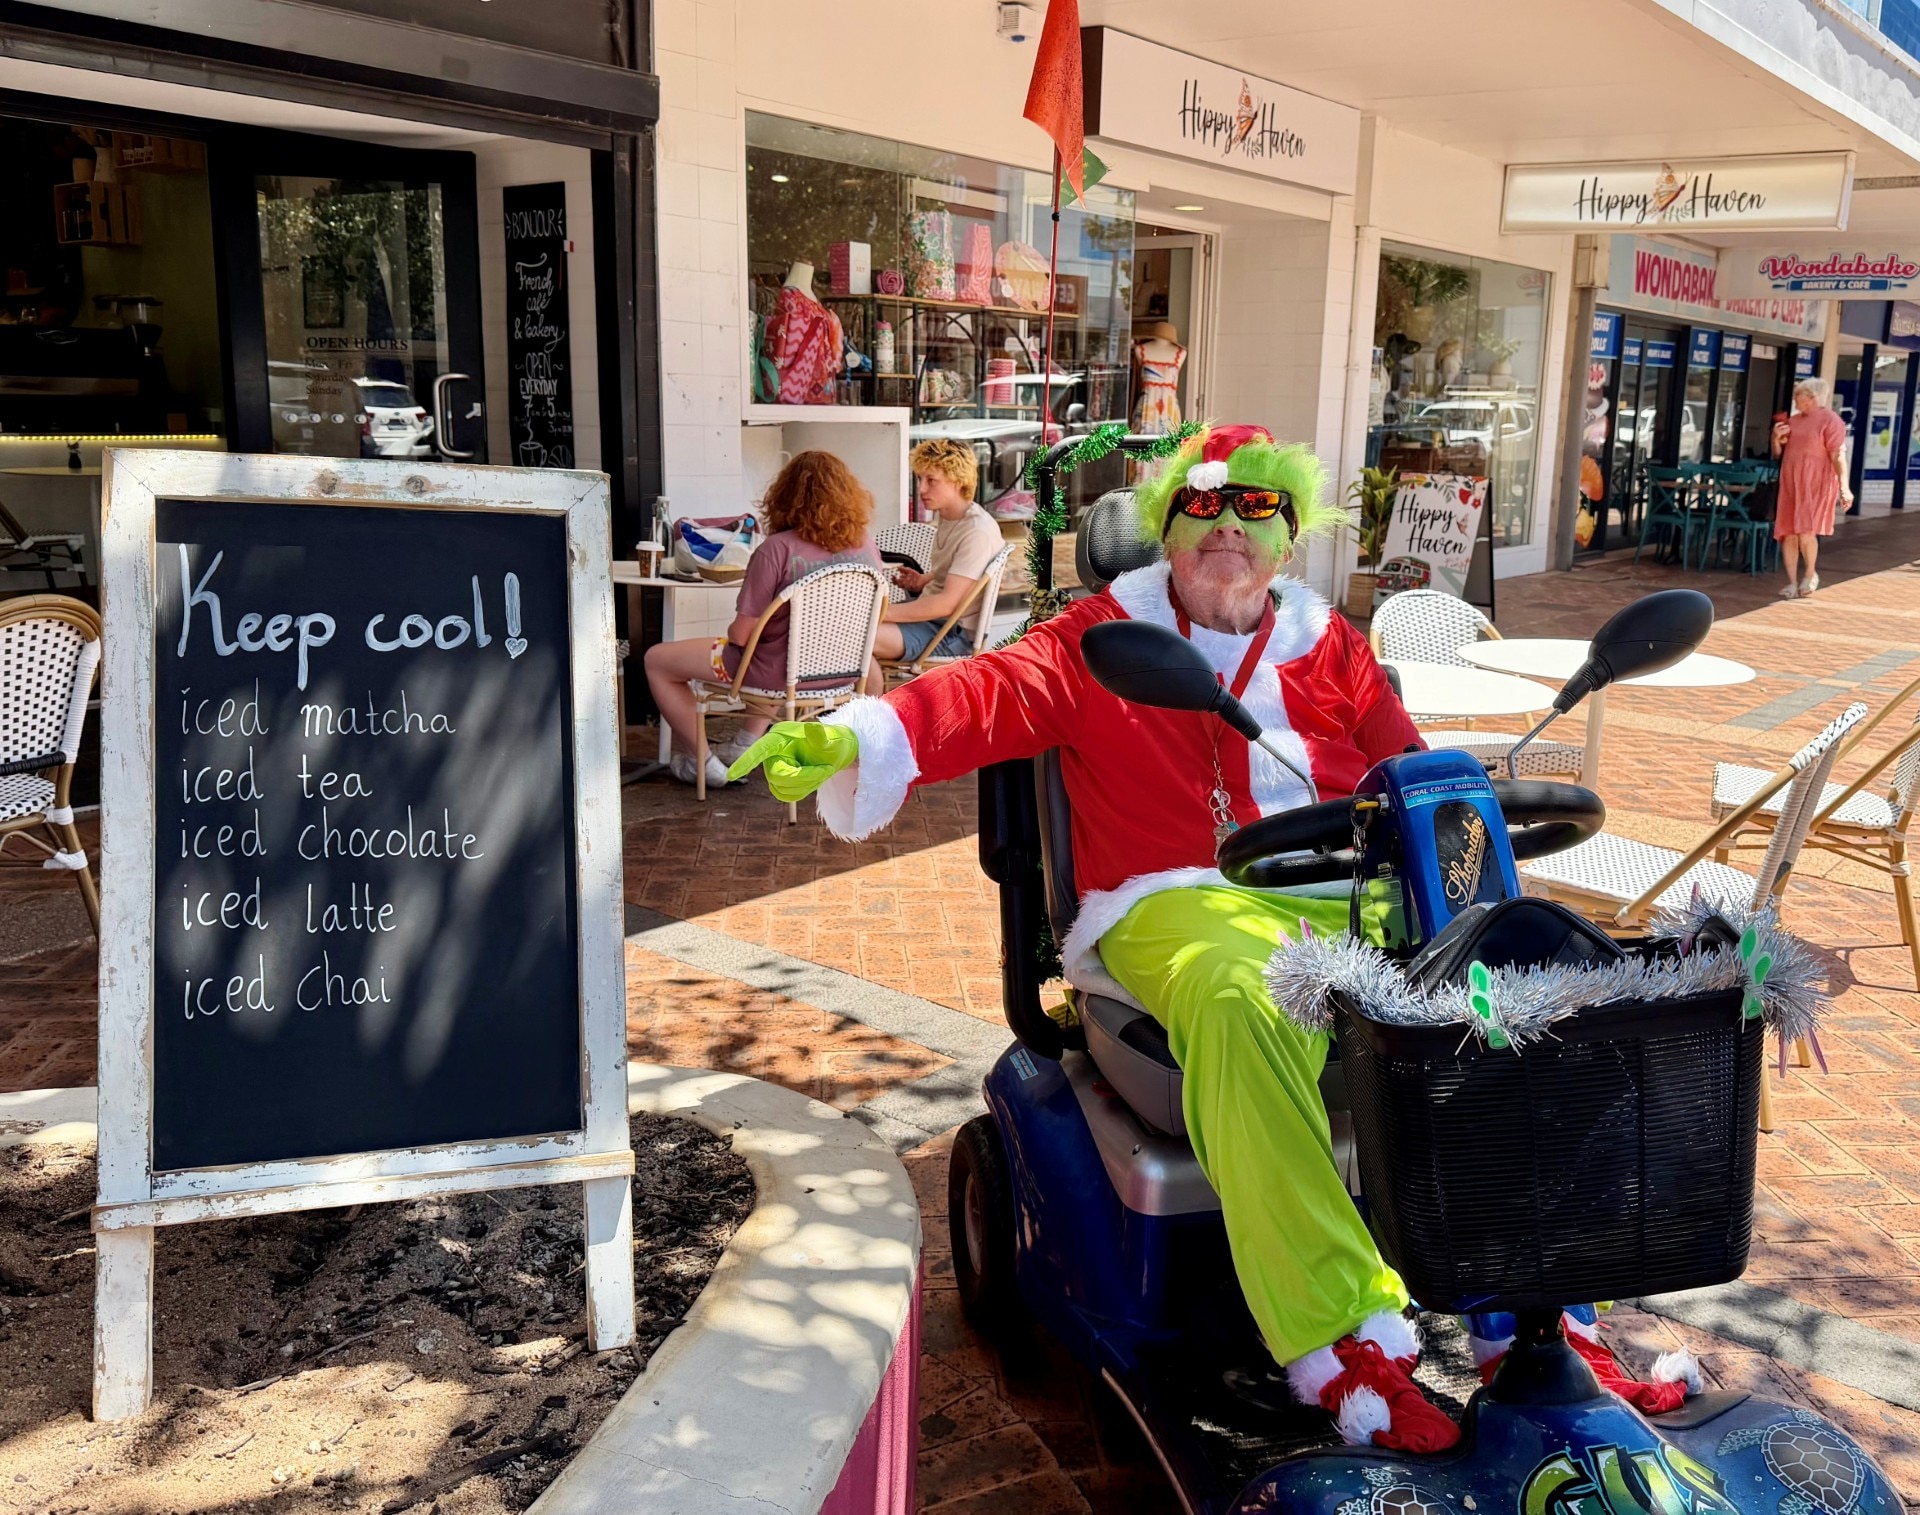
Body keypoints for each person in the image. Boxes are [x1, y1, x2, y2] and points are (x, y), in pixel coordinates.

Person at [731, 425, 1466, 1449]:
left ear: (1288, 538)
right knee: (1246, 991)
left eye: (1256, 508)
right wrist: (859, 731)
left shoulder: (1328, 644)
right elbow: (984, 692)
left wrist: (1463, 836)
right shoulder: (1099, 637)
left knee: (1494, 977)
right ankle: (1340, 1336)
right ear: (1168, 529)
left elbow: (1408, 766)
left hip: (1338, 892)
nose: (1227, 527)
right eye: (1202, 506)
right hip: (1174, 905)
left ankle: (1540, 1303)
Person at [643, 450, 883, 787]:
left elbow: (742, 635)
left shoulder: (776, 549)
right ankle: (745, 745)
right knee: (771, 645)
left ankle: (704, 764)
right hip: (839, 674)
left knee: (658, 660)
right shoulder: (865, 547)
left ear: (784, 497)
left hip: (775, 673)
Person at [875, 438, 1004, 665]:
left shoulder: (976, 532)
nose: (922, 488)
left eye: (931, 480)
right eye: (920, 479)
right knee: (850, 628)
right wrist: (925, 580)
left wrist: (881, 612)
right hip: (936, 623)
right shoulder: (952, 518)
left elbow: (948, 603)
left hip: (951, 634)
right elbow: (962, 574)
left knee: (853, 636)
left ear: (957, 481)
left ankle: (871, 699)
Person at [1771, 377, 1851, 599]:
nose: (1795, 398)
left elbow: (1837, 455)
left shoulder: (1831, 421)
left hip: (1815, 482)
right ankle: (1791, 582)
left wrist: (1844, 486)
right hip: (1791, 481)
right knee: (1788, 532)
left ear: (1812, 397)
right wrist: (1776, 438)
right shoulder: (1794, 421)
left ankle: (1809, 574)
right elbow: (1779, 453)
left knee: (1805, 531)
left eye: (1799, 394)